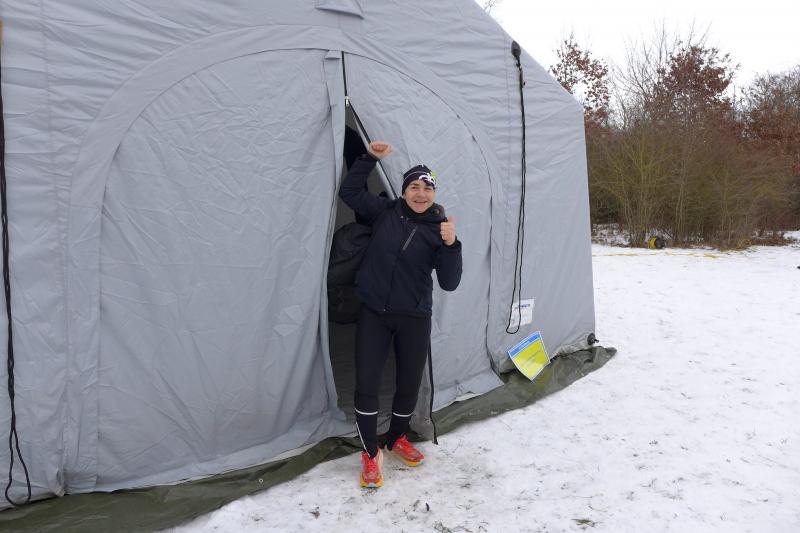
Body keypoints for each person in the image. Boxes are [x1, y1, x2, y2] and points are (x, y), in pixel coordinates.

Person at [338, 141, 462, 488]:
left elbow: (450, 283)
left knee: (408, 383)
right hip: (375, 313)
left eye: (427, 188)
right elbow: (349, 192)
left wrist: (452, 246)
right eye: (414, 187)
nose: (420, 194)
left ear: (434, 193)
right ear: (404, 190)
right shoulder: (385, 212)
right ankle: (370, 451)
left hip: (414, 317)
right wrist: (369, 158)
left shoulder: (439, 229)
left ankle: (396, 438)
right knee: (367, 382)